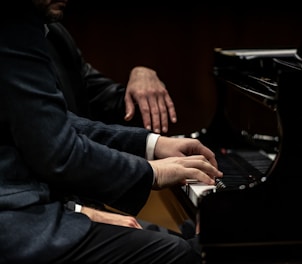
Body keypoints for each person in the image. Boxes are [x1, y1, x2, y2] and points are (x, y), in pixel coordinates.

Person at [0, 1, 223, 263]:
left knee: (190, 241)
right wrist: (152, 172)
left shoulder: (53, 33)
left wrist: (151, 144)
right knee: (184, 253)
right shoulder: (13, 23)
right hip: (18, 223)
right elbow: (58, 153)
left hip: (34, 206)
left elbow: (58, 122)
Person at [46, 14, 177, 134]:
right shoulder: (29, 42)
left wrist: (142, 79)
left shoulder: (56, 34)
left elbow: (104, 100)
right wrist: (149, 145)